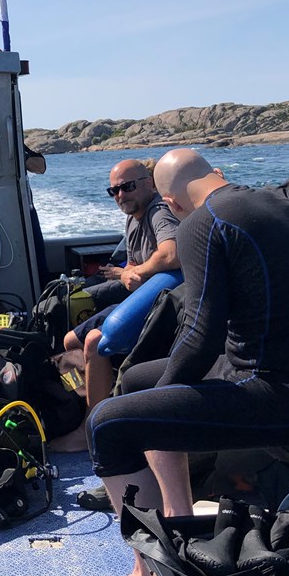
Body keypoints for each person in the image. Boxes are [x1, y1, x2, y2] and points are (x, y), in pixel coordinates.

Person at [82, 149, 289, 576]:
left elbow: (199, 338)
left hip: (283, 397)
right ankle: (177, 522)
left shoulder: (201, 223)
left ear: (171, 203)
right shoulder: (283, 205)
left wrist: (165, 403)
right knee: (138, 380)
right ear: (214, 174)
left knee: (108, 424)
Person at [53, 159, 181, 453]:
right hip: (140, 299)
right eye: (114, 191)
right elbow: (132, 264)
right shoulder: (133, 217)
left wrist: (137, 273)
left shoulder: (159, 212)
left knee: (94, 342)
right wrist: (127, 273)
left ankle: (92, 430)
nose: (120, 195)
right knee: (69, 340)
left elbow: (171, 253)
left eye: (127, 187)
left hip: (164, 308)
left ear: (149, 183)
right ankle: (94, 401)